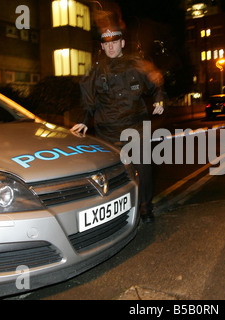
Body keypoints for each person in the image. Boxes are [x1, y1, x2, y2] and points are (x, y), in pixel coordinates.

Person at [70, 25, 165, 223]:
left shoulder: (137, 65)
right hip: (108, 132)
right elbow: (87, 99)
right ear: (102, 47)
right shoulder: (96, 70)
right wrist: (83, 121)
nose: (111, 47)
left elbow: (155, 82)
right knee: (113, 175)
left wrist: (159, 98)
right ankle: (117, 213)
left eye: (114, 43)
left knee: (143, 170)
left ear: (122, 43)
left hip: (136, 128)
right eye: (107, 44)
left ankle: (145, 208)